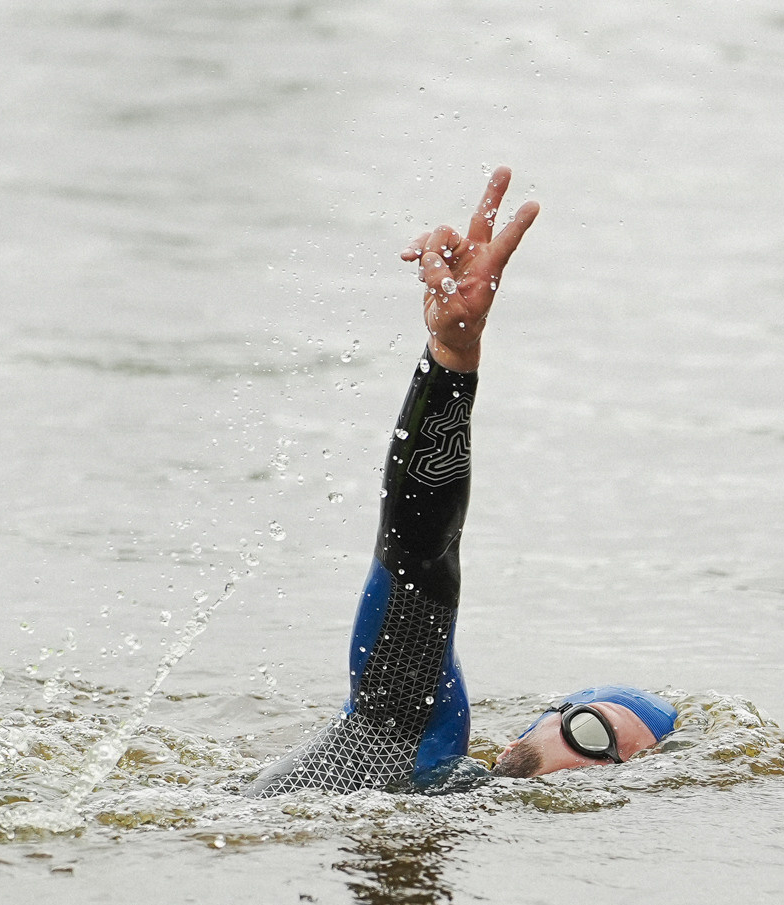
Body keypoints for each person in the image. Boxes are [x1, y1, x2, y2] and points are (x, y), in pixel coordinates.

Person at [245, 168, 678, 799]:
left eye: (618, 768)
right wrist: (453, 359)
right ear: (524, 736)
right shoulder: (413, 737)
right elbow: (420, 550)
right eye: (591, 733)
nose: (594, 766)